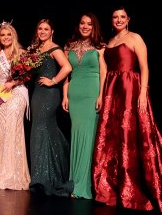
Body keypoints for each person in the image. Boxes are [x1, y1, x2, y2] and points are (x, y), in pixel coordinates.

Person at [92, 6, 162, 211]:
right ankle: (113, 187)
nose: (118, 20)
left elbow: (144, 67)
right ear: (111, 20)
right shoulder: (109, 43)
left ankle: (134, 186)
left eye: (122, 17)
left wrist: (143, 93)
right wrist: (101, 95)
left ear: (128, 19)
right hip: (112, 91)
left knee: (132, 134)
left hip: (131, 90)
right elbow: (104, 71)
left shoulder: (135, 38)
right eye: (115, 17)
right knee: (113, 138)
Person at [62, 12, 106, 199]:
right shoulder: (68, 46)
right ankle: (74, 182)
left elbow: (104, 73)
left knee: (88, 139)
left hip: (91, 94)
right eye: (82, 23)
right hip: (74, 94)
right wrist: (65, 96)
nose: (85, 26)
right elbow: (66, 74)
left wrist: (101, 95)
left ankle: (83, 185)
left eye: (89, 24)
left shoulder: (100, 47)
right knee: (76, 136)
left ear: (94, 26)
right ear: (78, 25)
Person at [28, 18, 73, 196]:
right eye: (40, 29)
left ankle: (45, 177)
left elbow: (67, 67)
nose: (42, 31)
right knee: (39, 131)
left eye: (46, 29)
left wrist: (53, 81)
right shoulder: (35, 50)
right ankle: (41, 175)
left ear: (52, 31)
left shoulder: (55, 48)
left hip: (50, 94)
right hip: (37, 94)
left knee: (42, 128)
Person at [0, 21, 31, 190]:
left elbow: (27, 76)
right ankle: (2, 175)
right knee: (2, 131)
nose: (5, 37)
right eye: (2, 35)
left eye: (8, 34)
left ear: (13, 36)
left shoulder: (21, 52)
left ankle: (15, 175)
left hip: (17, 93)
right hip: (1, 93)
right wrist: (1, 86)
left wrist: (13, 82)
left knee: (13, 129)